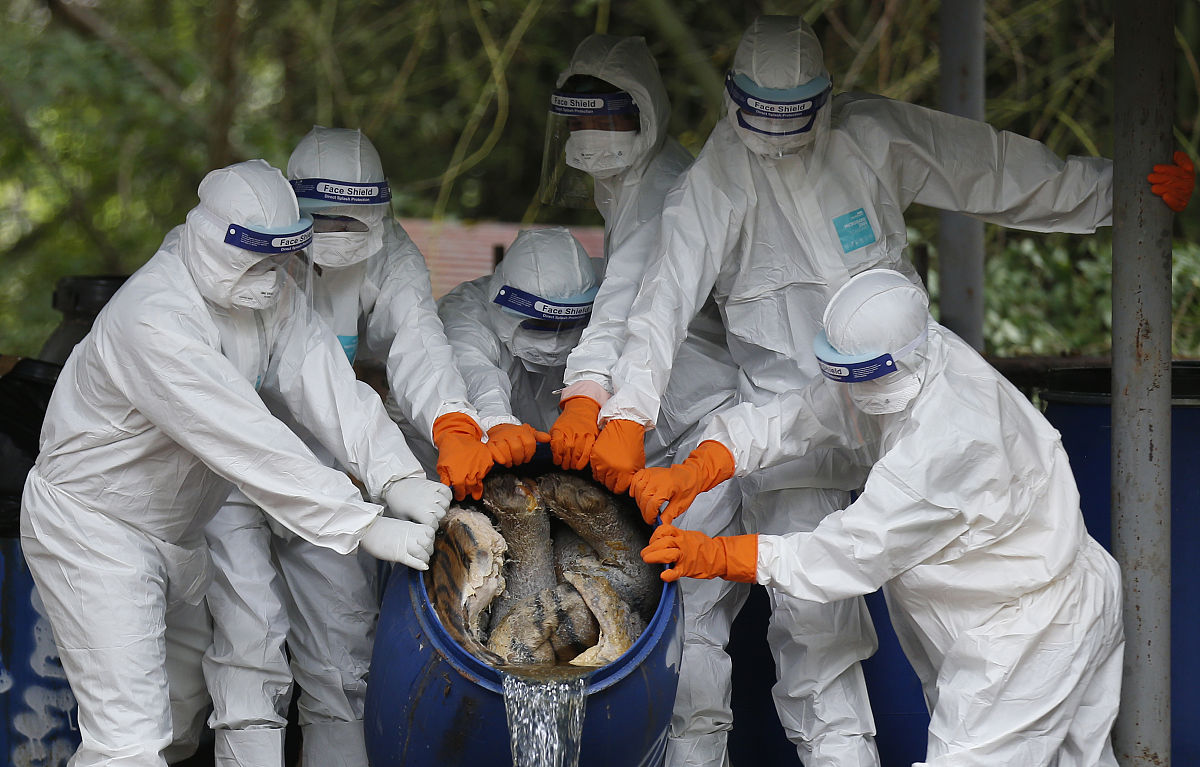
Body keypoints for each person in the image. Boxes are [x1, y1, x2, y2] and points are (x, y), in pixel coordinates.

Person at [585, 14, 1190, 767]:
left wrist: (1119, 193)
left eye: (794, 114)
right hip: (852, 470)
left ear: (827, 99)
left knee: (835, 595)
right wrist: (648, 425)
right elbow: (670, 306)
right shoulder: (725, 193)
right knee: (815, 642)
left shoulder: (939, 437)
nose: (776, 133)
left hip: (1023, 626)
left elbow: (990, 168)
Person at [19, 159, 449, 767]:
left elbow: (324, 381)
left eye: (281, 258)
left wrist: (397, 474)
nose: (272, 276)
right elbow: (242, 437)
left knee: (176, 720)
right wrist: (358, 522)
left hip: (175, 531)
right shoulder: (153, 317)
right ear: (209, 237)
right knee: (130, 739)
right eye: (256, 259)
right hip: (95, 529)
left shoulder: (265, 292)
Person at [637, 268, 1125, 767]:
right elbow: (805, 414)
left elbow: (848, 552)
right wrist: (705, 461)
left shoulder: (950, 440)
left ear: (900, 360)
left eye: (866, 376)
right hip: (1020, 600)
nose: (853, 391)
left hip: (1027, 631)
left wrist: (715, 553)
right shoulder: (924, 349)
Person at [197, 129, 490, 766]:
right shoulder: (245, 252)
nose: (338, 229)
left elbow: (416, 349)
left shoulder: (392, 259)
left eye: (353, 217)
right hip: (231, 470)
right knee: (249, 649)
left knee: (343, 667)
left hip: (336, 471)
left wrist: (452, 424)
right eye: (322, 214)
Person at [539, 39, 743, 765]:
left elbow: (631, 302)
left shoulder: (665, 183)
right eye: (580, 122)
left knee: (692, 626)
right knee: (647, 620)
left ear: (648, 114)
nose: (593, 139)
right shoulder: (625, 181)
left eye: (609, 120)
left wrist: (587, 397)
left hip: (701, 432)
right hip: (658, 431)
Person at [438, 225, 596, 446]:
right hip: (444, 458)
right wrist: (497, 422)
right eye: (539, 323)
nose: (554, 343)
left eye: (568, 324)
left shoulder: (605, 297)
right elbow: (475, 371)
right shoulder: (465, 316)